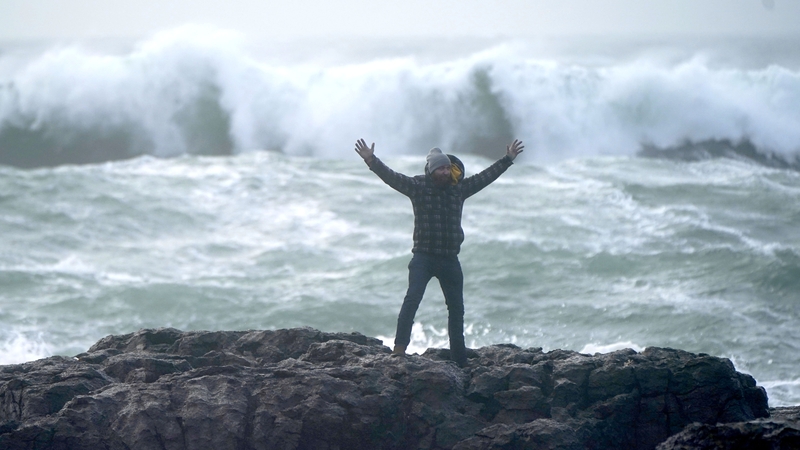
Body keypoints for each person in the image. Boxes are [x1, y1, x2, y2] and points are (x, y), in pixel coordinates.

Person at [354, 138, 524, 367]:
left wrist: (507, 160)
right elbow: (392, 177)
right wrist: (371, 161)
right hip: (423, 257)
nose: (445, 172)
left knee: (456, 310)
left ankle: (459, 359)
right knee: (411, 300)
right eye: (441, 168)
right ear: (432, 170)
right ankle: (399, 349)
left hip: (450, 259)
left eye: (447, 168)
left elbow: (486, 177)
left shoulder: (459, 189)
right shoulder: (418, 187)